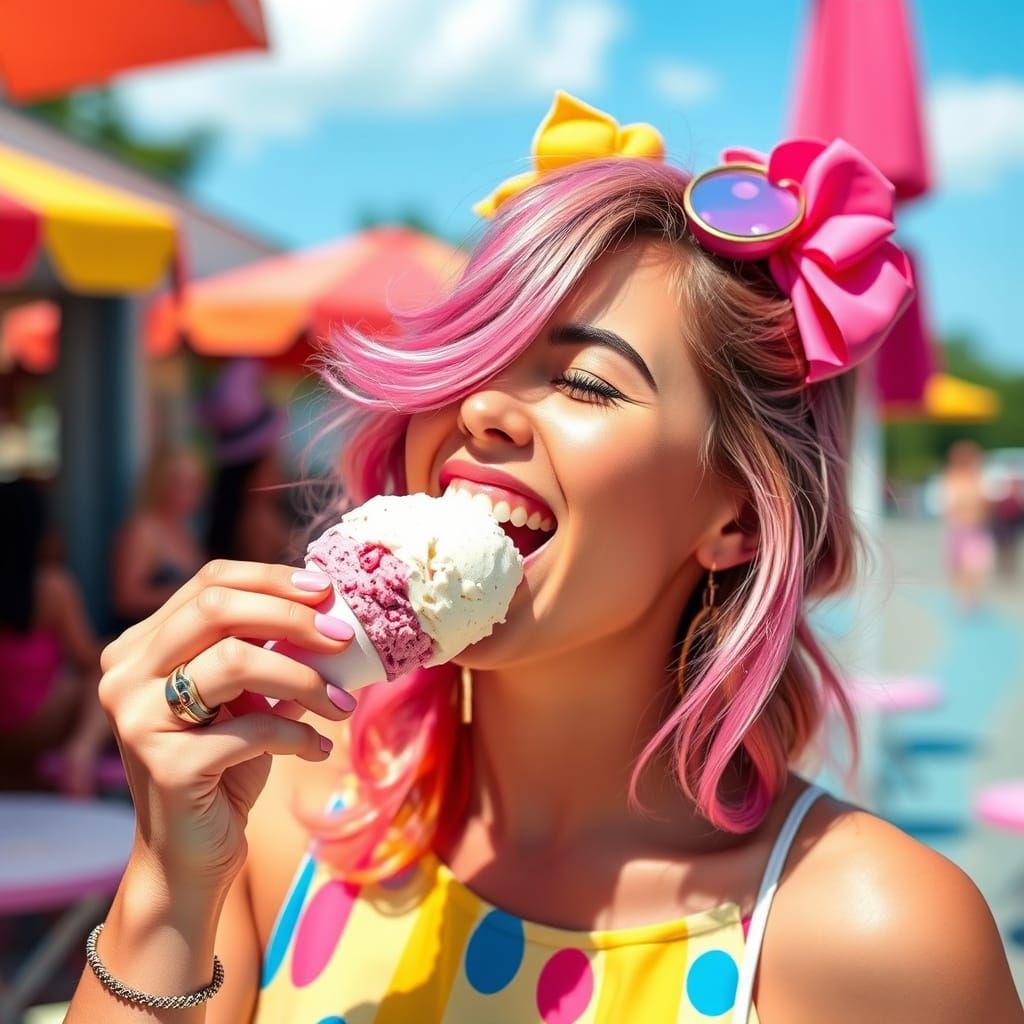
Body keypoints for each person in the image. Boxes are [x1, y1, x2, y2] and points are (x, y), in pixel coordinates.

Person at [66, 94, 1022, 1022]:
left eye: (583, 381)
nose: (479, 405)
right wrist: (164, 881)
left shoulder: (872, 937)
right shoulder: (278, 810)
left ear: (737, 518)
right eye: (475, 355)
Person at [0, 476, 111, 796]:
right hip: (36, 723)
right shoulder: (52, 587)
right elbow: (88, 656)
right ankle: (81, 750)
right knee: (99, 675)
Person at [201, 358, 293, 566]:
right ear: (252, 475)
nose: (280, 470)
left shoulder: (239, 513)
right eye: (272, 463)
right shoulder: (259, 519)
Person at [111, 445, 206, 632]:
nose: (190, 492)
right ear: (160, 482)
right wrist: (190, 594)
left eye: (195, 484)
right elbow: (126, 598)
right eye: (180, 482)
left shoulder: (186, 530)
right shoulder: (143, 530)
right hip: (144, 638)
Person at [940, 439, 995, 610]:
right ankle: (964, 598)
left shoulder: (979, 479)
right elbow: (949, 505)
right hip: (959, 530)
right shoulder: (951, 479)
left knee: (976, 567)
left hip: (975, 530)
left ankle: (971, 597)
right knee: (960, 567)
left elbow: (985, 506)